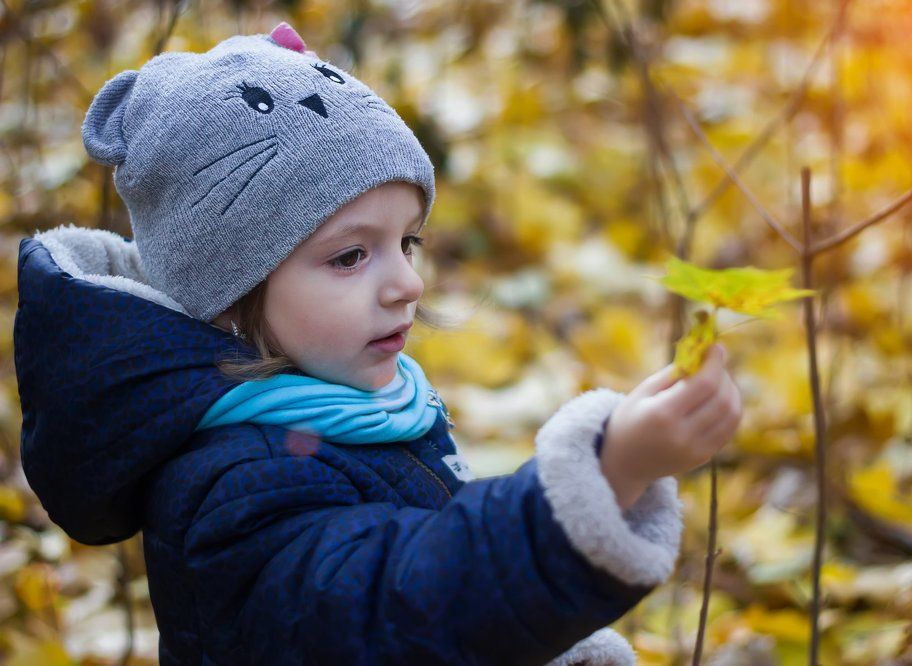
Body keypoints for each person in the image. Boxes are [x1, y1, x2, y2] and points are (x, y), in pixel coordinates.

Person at [13, 20, 742, 666]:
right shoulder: (233, 486)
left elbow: (429, 535)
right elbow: (403, 607)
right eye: (350, 256)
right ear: (228, 295)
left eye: (407, 241)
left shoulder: (340, 407)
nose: (407, 285)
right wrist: (607, 474)